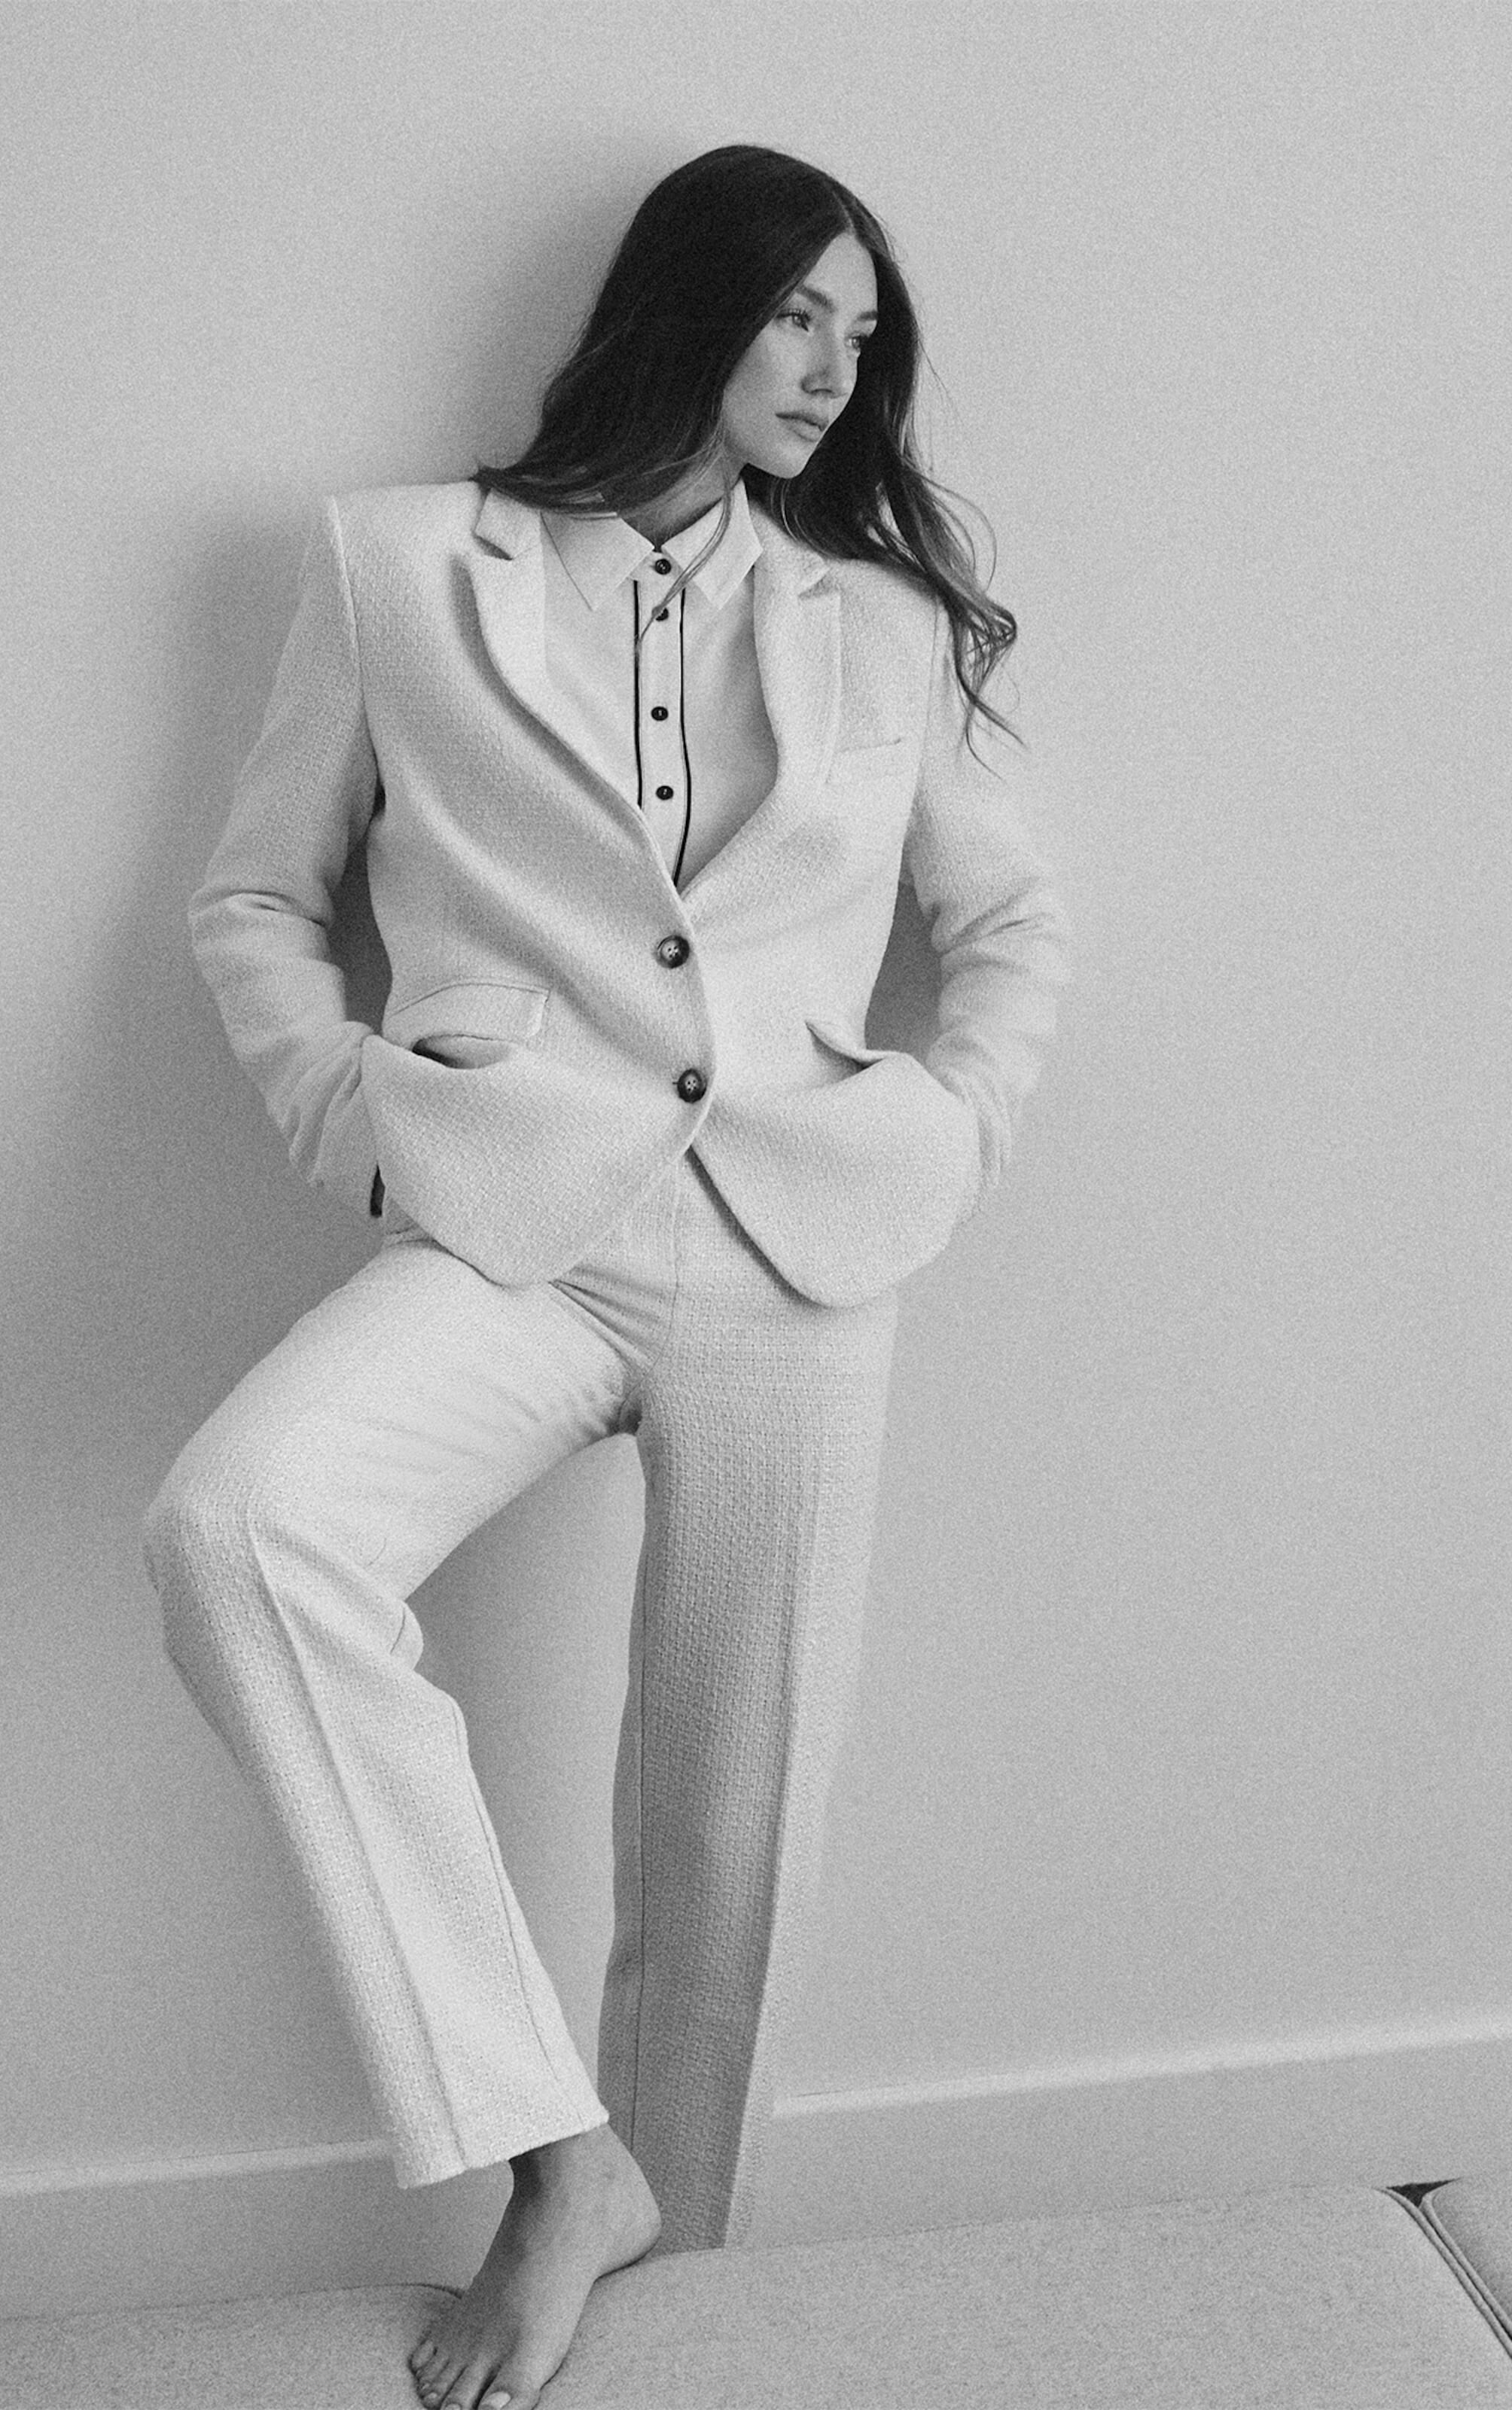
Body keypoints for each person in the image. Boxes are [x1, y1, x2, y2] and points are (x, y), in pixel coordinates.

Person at [142, 142, 1068, 2410]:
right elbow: (255, 896)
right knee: (246, 1529)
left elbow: (1011, 922)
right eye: (798, 317)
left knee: (733, 1829)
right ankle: (562, 2163)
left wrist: (953, 1127)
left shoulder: (880, 622)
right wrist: (356, 1115)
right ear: (690, 305)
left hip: (798, 1239)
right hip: (511, 1220)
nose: (834, 372)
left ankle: (685, 2327)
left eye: (865, 336)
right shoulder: (398, 564)